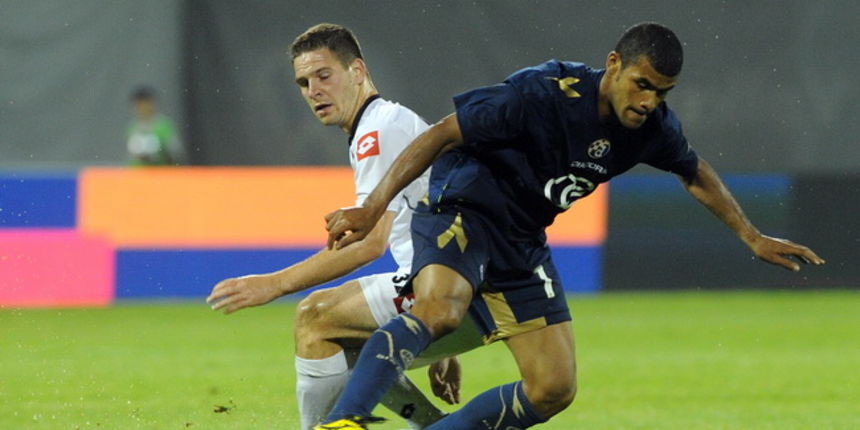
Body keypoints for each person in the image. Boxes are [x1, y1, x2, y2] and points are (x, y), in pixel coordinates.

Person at [319, 22, 826, 429]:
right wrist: (372, 208)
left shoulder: (651, 127)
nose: (648, 100)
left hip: (521, 239)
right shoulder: (542, 93)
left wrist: (751, 236)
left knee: (553, 388)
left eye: (661, 91)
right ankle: (342, 423)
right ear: (613, 66)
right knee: (440, 311)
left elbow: (694, 171)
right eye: (642, 84)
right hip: (464, 206)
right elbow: (441, 135)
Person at [205, 24, 482, 430]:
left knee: (315, 317)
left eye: (323, 75)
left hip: (458, 290)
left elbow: (368, 244)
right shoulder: (387, 124)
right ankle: (434, 424)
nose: (313, 90)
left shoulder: (377, 130)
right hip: (458, 284)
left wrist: (273, 284)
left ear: (357, 70)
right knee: (351, 341)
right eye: (303, 82)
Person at [126, 85, 183, 166]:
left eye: (146, 103)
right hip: (137, 175)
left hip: (158, 174)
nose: (142, 108)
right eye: (139, 104)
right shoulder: (133, 127)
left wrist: (160, 152)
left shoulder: (163, 126)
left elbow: (175, 154)